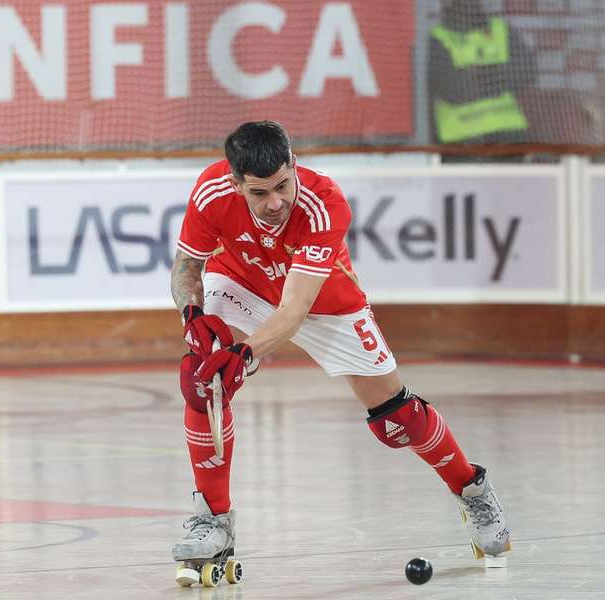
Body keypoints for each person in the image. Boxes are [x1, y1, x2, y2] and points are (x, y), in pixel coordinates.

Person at [169, 121, 511, 586]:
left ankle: (471, 488)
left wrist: (244, 356)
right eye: (259, 193)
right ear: (235, 183)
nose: (275, 203)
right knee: (202, 378)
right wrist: (193, 316)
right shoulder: (211, 191)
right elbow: (187, 266)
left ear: (294, 165)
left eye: (283, 186)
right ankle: (214, 521)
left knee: (397, 418)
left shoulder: (324, 203)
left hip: (322, 302)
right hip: (241, 283)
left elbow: (294, 309)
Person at [428, 0, 537, 162]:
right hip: (461, 146)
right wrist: (497, 74)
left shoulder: (501, 30)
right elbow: (455, 91)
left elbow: (526, 73)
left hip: (509, 141)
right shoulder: (436, 38)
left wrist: (474, 73)